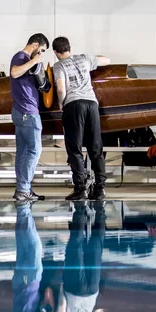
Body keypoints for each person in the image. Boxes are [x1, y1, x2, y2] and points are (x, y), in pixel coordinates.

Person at [52, 36, 110, 201]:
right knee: (95, 148)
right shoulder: (84, 59)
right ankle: (100, 189)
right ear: (69, 48)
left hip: (74, 105)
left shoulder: (59, 65)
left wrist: (61, 103)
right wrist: (94, 58)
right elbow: (106, 60)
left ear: (56, 52)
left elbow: (61, 89)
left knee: (75, 148)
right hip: (92, 104)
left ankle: (80, 188)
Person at [9, 33, 51, 203]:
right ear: (35, 45)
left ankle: (22, 189)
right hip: (28, 112)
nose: (41, 54)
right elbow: (14, 73)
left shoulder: (24, 60)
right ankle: (23, 189)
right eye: (42, 50)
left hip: (21, 112)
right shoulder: (21, 57)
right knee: (34, 151)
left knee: (23, 152)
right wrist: (34, 61)